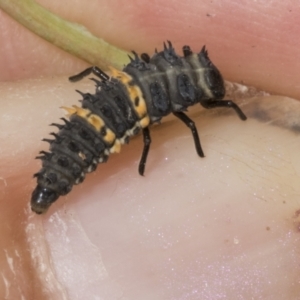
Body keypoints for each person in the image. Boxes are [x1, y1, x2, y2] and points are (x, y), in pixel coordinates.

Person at [1, 1, 300, 299]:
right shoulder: (185, 98)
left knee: (124, 128)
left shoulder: (163, 72)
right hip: (115, 114)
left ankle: (49, 186)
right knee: (160, 132)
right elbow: (188, 128)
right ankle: (48, 188)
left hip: (109, 109)